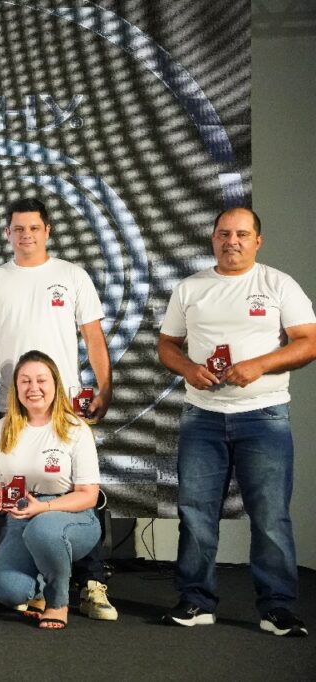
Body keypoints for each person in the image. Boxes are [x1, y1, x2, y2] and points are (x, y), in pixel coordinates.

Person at [158, 207, 315, 637]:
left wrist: (260, 365)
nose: (232, 241)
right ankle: (196, 600)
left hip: (265, 416)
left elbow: (308, 342)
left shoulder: (278, 284)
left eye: (242, 234)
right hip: (202, 417)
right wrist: (188, 369)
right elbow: (167, 344)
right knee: (195, 512)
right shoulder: (190, 288)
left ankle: (277, 607)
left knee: (270, 515)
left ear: (257, 241)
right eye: (224, 233)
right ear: (213, 238)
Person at [0, 197, 116, 621]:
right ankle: (29, 578)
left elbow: (93, 336)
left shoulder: (72, 276)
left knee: (78, 487)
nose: (26, 235)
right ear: (7, 233)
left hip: (65, 402)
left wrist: (105, 388)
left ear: (47, 231)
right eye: (18, 228)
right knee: (19, 485)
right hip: (13, 402)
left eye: (34, 227)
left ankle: (91, 582)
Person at [0, 350, 102, 630]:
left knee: (43, 529)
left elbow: (89, 495)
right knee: (7, 590)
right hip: (20, 516)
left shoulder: (76, 428)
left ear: (55, 385)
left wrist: (44, 508)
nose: (33, 387)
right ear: (16, 388)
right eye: (25, 381)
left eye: (41, 380)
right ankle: (38, 588)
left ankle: (58, 601)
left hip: (71, 514)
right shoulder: (2, 429)